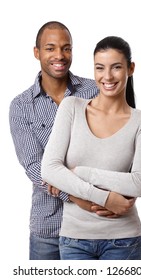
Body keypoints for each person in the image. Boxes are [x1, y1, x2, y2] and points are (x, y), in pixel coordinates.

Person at [41, 36, 141, 260]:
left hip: (124, 240)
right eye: (99, 68)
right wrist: (105, 198)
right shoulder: (71, 107)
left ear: (130, 69)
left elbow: (139, 183)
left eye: (116, 67)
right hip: (74, 240)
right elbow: (49, 169)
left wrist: (79, 173)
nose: (107, 76)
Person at [9, 21, 107, 260]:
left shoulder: (95, 92)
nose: (59, 56)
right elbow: (34, 166)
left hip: (94, 226)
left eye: (66, 48)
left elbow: (110, 147)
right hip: (48, 229)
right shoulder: (21, 106)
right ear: (37, 52)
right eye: (50, 48)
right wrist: (74, 196)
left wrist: (61, 176)